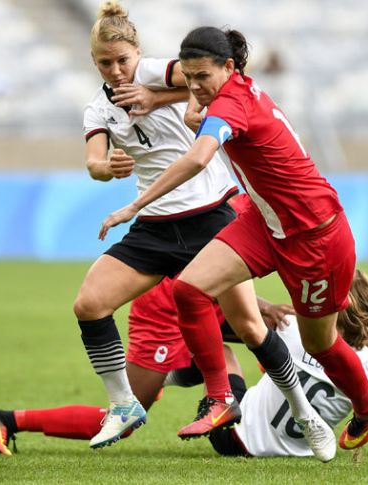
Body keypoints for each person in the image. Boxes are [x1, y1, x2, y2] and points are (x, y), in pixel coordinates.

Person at [98, 26, 368, 457]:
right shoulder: (231, 92)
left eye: (202, 76)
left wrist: (133, 206)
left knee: (320, 343)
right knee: (189, 290)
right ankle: (220, 399)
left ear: (229, 67)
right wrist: (184, 100)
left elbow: (198, 157)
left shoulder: (234, 102)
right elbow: (196, 116)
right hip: (265, 219)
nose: (195, 85)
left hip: (314, 235)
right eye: (189, 76)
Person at [68, 2, 287, 453]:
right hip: (156, 226)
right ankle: (124, 403)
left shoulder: (156, 72)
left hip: (210, 213)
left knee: (248, 323)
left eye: (122, 60)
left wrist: (158, 97)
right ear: (94, 63)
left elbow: (209, 86)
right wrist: (107, 168)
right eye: (105, 63)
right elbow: (93, 161)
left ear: (137, 53)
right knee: (89, 303)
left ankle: (300, 405)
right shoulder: (96, 110)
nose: (116, 70)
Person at [0, 270, 368, 460]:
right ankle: (199, 377)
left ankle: (200, 378)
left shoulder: (297, 325)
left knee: (242, 345)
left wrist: (258, 303)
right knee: (131, 410)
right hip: (172, 308)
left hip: (226, 404)